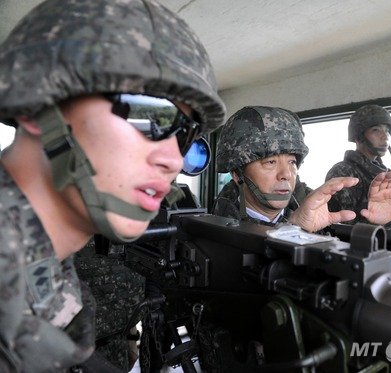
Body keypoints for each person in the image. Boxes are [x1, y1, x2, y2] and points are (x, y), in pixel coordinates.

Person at [0, 0, 225, 371]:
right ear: (39, 106)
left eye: (186, 134)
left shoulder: (39, 264)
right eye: (149, 114)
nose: (173, 159)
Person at [212, 105, 391, 231]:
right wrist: (293, 228)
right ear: (237, 174)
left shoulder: (313, 208)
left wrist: (379, 223)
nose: (286, 174)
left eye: (292, 162)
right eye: (270, 162)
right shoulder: (214, 231)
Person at [325, 104, 391, 224]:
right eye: (376, 130)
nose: (385, 136)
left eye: (387, 130)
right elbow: (343, 225)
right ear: (359, 137)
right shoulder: (343, 172)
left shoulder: (386, 173)